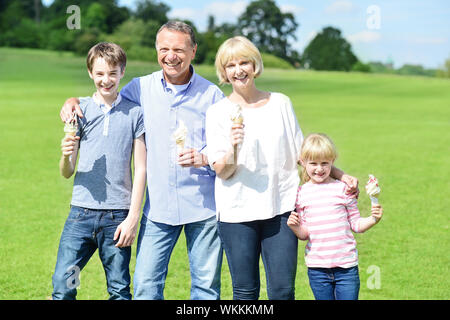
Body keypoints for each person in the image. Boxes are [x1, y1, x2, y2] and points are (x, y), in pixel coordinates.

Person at [59, 21, 224, 300]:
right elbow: (105, 96)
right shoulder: (139, 88)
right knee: (146, 288)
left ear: (193, 51)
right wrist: (72, 100)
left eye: (179, 49)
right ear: (157, 50)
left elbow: (226, 149)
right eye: (164, 49)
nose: (171, 55)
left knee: (206, 290)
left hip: (204, 207)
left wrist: (204, 157)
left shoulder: (212, 95)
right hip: (157, 209)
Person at [205, 36, 359, 300]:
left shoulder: (281, 103)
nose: (239, 70)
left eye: (244, 62)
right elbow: (222, 170)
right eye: (231, 65)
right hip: (237, 213)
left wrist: (342, 176)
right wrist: (233, 146)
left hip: (282, 210)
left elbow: (304, 156)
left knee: (283, 291)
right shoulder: (217, 112)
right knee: (245, 292)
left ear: (255, 65)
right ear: (224, 71)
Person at [52, 42, 147, 300]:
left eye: (113, 73)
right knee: (63, 286)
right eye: (100, 74)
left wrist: (132, 218)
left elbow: (141, 169)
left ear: (122, 72)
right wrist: (65, 155)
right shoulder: (79, 110)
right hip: (80, 214)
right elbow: (67, 171)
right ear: (90, 73)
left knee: (119, 290)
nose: (106, 80)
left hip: (118, 216)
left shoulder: (135, 113)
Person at [287, 133, 383, 300]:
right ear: (303, 163)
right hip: (318, 270)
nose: (319, 169)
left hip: (346, 268)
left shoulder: (343, 189)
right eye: (313, 163)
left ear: (332, 161)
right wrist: (295, 227)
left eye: (325, 163)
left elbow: (356, 224)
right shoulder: (300, 194)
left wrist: (373, 219)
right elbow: (305, 234)